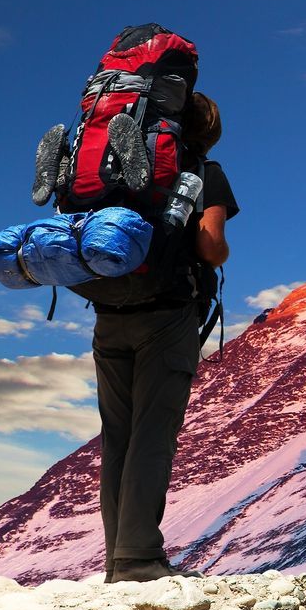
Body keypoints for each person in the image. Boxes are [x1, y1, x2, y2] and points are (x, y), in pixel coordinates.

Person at [92, 90, 238, 583]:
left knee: (119, 436)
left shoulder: (121, 169)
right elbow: (210, 246)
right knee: (152, 436)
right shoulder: (205, 172)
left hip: (110, 309)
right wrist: (220, 253)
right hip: (168, 315)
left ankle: (119, 558)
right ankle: (138, 560)